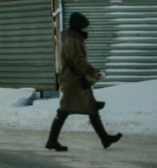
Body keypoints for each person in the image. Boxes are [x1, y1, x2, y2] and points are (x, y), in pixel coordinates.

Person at [46, 12, 122, 151]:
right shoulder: (73, 41)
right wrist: (92, 71)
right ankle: (51, 141)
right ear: (78, 27)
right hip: (72, 82)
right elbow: (78, 61)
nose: (86, 29)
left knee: (91, 109)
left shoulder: (75, 39)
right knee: (64, 111)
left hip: (76, 81)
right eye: (84, 27)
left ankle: (105, 139)